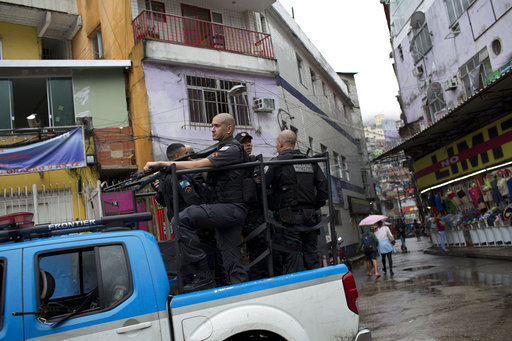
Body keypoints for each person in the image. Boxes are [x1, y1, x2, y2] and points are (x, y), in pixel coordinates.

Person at [145, 113, 252, 291]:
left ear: (229, 128)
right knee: (231, 261)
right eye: (212, 125)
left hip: (231, 208)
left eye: (216, 125)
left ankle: (204, 276)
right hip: (226, 211)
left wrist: (163, 164)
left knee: (180, 219)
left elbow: (198, 166)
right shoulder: (222, 149)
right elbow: (202, 169)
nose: (212, 129)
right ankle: (239, 295)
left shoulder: (231, 149)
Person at [265, 130, 328, 274]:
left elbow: (261, 186)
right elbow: (324, 190)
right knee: (311, 258)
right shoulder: (310, 162)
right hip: (310, 219)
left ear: (280, 144)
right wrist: (314, 206)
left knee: (292, 260)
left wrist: (272, 205)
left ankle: (300, 293)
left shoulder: (276, 163)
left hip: (287, 221)